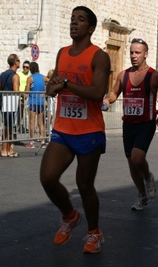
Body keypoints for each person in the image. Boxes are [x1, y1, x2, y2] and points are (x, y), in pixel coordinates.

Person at [40, 6, 110, 254]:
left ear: (90, 28)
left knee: (84, 185)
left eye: (80, 20)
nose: (74, 23)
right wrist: (53, 88)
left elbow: (97, 92)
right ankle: (69, 215)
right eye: (72, 19)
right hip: (63, 128)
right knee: (47, 178)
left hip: (89, 131)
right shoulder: (62, 53)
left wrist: (67, 84)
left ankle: (94, 233)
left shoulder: (99, 56)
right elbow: (52, 88)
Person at [103, 38, 158, 211]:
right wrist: (106, 102)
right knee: (131, 162)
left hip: (146, 124)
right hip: (128, 124)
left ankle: (148, 177)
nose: (134, 56)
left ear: (145, 54)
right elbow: (114, 93)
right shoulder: (124, 75)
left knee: (137, 157)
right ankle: (142, 196)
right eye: (132, 52)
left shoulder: (153, 76)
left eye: (138, 52)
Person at [0, 54, 21, 157]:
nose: (20, 62)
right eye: (18, 60)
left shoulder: (3, 74)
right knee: (9, 127)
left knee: (7, 126)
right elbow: (16, 90)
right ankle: (5, 150)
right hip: (11, 102)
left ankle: (7, 149)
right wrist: (23, 94)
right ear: (15, 62)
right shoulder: (15, 75)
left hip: (4, 102)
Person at [25, 62, 49, 148]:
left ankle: (31, 142)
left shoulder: (30, 78)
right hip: (41, 101)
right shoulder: (43, 77)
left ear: (31, 69)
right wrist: (46, 92)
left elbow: (27, 91)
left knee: (32, 121)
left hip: (32, 101)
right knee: (41, 122)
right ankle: (42, 142)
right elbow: (51, 81)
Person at [17, 60, 30, 134]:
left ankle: (22, 127)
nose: (25, 68)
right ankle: (17, 126)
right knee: (19, 112)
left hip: (27, 97)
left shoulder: (30, 77)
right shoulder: (18, 74)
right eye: (24, 67)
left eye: (27, 67)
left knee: (24, 113)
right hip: (19, 96)